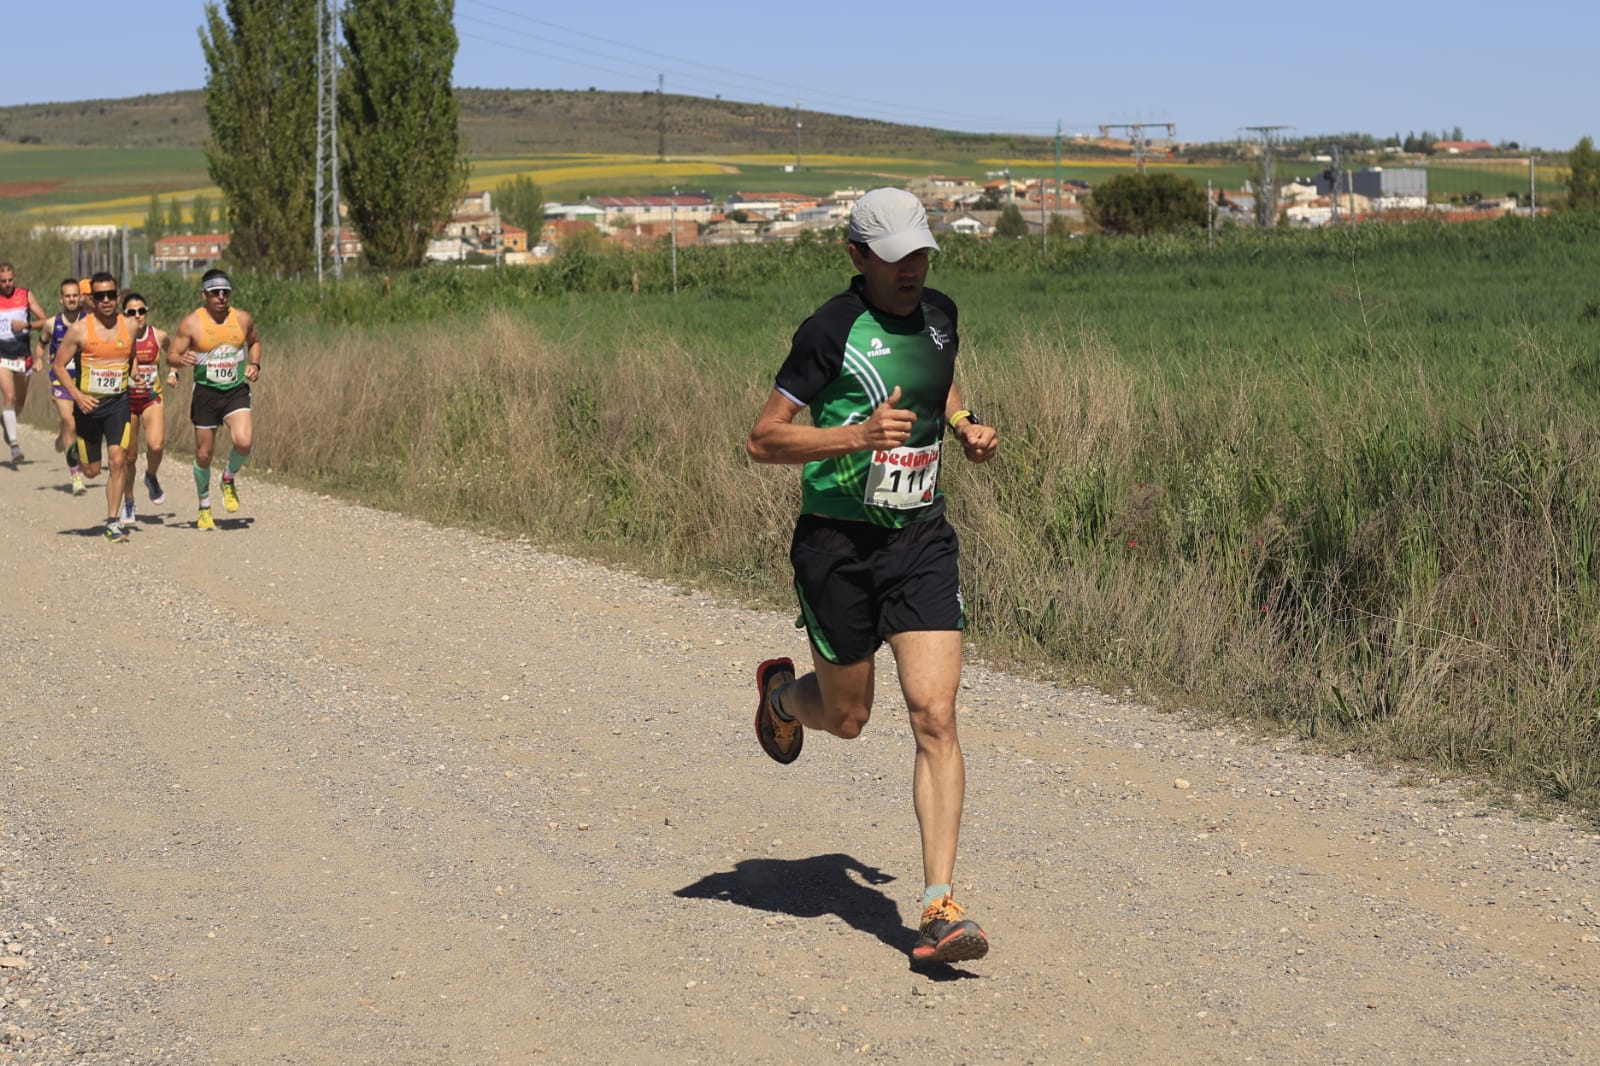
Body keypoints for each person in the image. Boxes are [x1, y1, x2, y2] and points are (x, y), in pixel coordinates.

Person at [746, 187, 1000, 967]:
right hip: (838, 548)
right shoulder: (828, 332)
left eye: (921, 254)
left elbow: (939, 376)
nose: (912, 270)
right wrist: (857, 435)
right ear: (857, 257)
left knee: (935, 716)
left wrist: (961, 425)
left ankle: (938, 908)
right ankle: (782, 698)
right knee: (850, 719)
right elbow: (763, 441)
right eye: (895, 259)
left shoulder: (941, 314)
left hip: (920, 538)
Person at [167, 269, 261, 531]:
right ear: (204, 294)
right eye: (215, 292)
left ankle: (228, 478)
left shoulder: (242, 319)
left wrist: (255, 363)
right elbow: (171, 355)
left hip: (235, 390)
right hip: (206, 394)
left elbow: (254, 342)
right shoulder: (191, 323)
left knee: (244, 442)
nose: (221, 297)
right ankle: (204, 507)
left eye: (225, 292)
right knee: (204, 454)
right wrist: (180, 360)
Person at [51, 272, 134, 542]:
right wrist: (77, 396)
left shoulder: (130, 326)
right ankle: (72, 446)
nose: (107, 300)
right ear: (92, 300)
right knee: (92, 471)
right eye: (100, 296)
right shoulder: (80, 329)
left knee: (118, 461)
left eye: (111, 295)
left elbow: (132, 359)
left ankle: (112, 521)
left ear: (118, 297)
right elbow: (58, 366)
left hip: (118, 403)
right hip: (87, 407)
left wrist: (134, 377)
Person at [119, 291, 176, 523]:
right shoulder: (119, 337)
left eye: (141, 311)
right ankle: (129, 502)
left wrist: (173, 372)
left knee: (156, 444)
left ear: (147, 312)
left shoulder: (159, 335)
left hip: (152, 396)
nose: (137, 316)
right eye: (131, 312)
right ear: (124, 315)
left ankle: (151, 476)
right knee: (129, 457)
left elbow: (173, 353)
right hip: (126, 401)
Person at [38, 278, 89, 493]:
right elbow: (41, 343)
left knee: (78, 425)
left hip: (85, 378)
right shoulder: (52, 323)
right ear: (61, 299)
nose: (71, 299)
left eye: (74, 295)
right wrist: (39, 359)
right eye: (67, 296)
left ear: (80, 297)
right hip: (60, 379)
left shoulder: (89, 321)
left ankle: (62, 436)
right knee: (70, 422)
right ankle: (76, 476)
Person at [0, 263, 49, 467]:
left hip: (22, 358)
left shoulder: (25, 295)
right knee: (9, 396)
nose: (7, 284)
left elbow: (45, 321)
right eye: (3, 281)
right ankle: (14, 445)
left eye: (10, 280)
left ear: (15, 277)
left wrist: (26, 325)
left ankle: (7, 421)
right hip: (1, 356)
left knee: (18, 404)